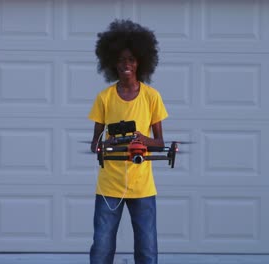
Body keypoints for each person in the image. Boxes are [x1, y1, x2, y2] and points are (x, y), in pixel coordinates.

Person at [88, 19, 168, 264]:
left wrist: (143, 139)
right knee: (101, 247)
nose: (126, 65)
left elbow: (160, 142)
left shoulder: (152, 97)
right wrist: (105, 144)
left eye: (131, 60)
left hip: (143, 187)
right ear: (112, 62)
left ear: (140, 63)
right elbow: (95, 144)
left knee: (147, 249)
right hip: (109, 186)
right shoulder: (104, 98)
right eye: (121, 60)